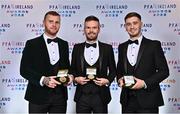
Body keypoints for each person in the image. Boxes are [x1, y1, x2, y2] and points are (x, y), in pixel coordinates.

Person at [20, 11, 73, 113]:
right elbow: (24, 70)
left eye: (57, 22)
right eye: (51, 21)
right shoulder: (32, 44)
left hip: (60, 97)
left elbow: (66, 67)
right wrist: (43, 80)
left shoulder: (64, 44)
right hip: (37, 96)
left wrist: (70, 76)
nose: (54, 25)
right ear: (44, 22)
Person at [116, 12, 169, 114]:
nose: (132, 27)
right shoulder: (121, 47)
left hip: (149, 101)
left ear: (141, 24)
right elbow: (119, 70)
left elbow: (164, 71)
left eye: (135, 23)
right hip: (127, 101)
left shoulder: (154, 45)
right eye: (128, 24)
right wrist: (119, 80)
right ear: (125, 27)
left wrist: (144, 83)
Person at [69, 15, 116, 113]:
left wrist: (107, 81)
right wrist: (76, 79)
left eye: (94, 27)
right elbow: (72, 69)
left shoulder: (107, 48)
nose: (91, 30)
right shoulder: (77, 48)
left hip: (101, 96)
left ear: (99, 29)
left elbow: (113, 70)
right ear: (84, 29)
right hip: (81, 96)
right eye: (88, 27)